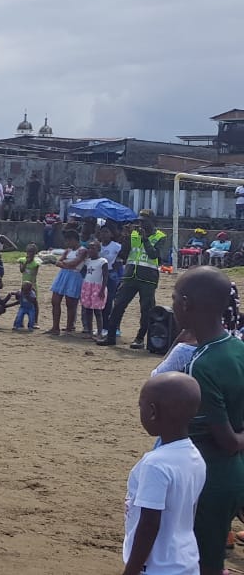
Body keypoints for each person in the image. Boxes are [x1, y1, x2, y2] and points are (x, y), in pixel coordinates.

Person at [169, 267, 244, 574]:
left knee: (203, 561)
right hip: (233, 474)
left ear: (186, 304)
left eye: (173, 299)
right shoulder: (236, 348)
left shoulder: (201, 363)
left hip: (207, 477)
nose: (172, 305)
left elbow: (226, 440)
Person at [121, 372, 206, 575]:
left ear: (152, 412)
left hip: (156, 567)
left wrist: (131, 570)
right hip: (185, 561)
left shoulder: (155, 464)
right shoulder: (196, 457)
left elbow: (149, 524)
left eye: (140, 405)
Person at [100, 214, 168, 349]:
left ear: (153, 222)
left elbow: (155, 255)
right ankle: (111, 336)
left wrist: (145, 239)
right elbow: (124, 254)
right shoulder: (133, 235)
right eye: (139, 221)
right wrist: (125, 237)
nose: (140, 224)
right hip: (130, 276)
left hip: (148, 278)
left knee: (146, 309)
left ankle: (140, 338)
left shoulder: (160, 237)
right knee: (118, 305)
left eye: (144, 221)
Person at [44, 230, 86, 336]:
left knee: (70, 303)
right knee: (55, 300)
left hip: (74, 276)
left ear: (74, 240)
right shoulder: (68, 251)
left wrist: (62, 263)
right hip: (64, 275)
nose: (67, 243)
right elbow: (62, 262)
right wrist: (63, 264)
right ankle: (55, 327)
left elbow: (73, 263)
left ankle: (69, 327)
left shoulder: (82, 251)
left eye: (68, 241)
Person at [80, 239, 110, 340]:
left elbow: (105, 276)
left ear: (98, 249)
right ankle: (89, 331)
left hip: (98, 287)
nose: (90, 250)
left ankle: (99, 332)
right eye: (89, 248)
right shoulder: (87, 261)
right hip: (87, 287)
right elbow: (83, 271)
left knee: (97, 311)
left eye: (93, 248)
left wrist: (102, 289)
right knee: (88, 309)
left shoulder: (103, 262)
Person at [98, 225, 124, 338]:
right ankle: (103, 325)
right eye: (102, 232)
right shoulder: (98, 246)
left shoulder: (116, 246)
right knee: (101, 302)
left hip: (112, 275)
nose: (104, 234)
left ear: (111, 234)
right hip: (99, 275)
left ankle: (112, 326)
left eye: (106, 232)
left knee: (110, 301)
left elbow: (122, 259)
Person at [16, 243, 42, 329]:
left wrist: (31, 261)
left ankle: (35, 321)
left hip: (32, 284)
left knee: (34, 302)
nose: (29, 254)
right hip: (24, 284)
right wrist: (26, 262)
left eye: (32, 252)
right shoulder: (22, 260)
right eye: (28, 252)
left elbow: (35, 273)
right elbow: (21, 270)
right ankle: (21, 321)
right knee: (22, 301)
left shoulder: (36, 262)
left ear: (35, 253)